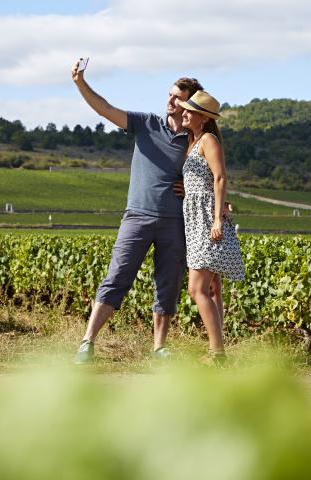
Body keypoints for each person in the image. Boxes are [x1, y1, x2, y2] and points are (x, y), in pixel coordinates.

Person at [71, 58, 203, 364]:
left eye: (177, 97)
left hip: (175, 221)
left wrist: (192, 186)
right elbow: (105, 109)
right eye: (170, 94)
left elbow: (213, 174)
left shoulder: (196, 139)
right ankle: (87, 342)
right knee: (117, 276)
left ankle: (159, 348)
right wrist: (80, 83)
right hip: (138, 215)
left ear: (190, 105)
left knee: (168, 283)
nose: (170, 100)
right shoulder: (146, 123)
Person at [178, 91, 245, 364]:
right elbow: (203, 179)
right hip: (195, 218)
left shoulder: (208, 139)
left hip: (207, 219)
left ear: (203, 118)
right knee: (212, 287)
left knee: (197, 289)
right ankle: (217, 352)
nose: (184, 113)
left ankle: (217, 353)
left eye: (189, 110)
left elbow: (219, 178)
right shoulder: (194, 141)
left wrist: (217, 218)